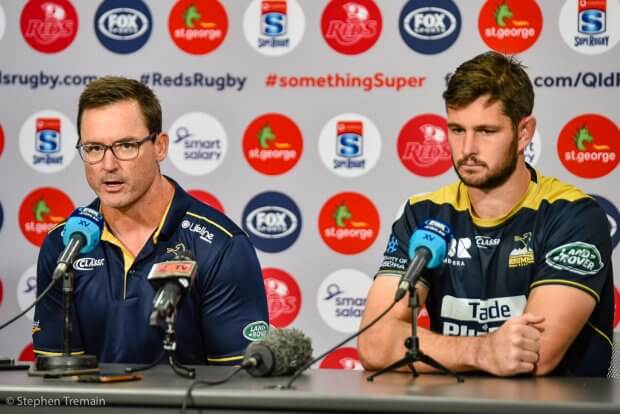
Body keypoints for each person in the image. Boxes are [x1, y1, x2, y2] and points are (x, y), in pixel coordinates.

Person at [358, 51, 614, 377]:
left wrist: (444, 351)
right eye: (457, 130)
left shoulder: (574, 215)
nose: (467, 149)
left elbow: (535, 357)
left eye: (486, 131)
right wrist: (482, 351)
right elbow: (374, 341)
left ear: (524, 133)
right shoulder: (425, 213)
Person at [33, 77, 269, 364]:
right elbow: (58, 380)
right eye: (94, 148)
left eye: (126, 145)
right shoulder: (65, 246)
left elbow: (238, 384)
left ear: (160, 146)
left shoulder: (221, 246)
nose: (108, 165)